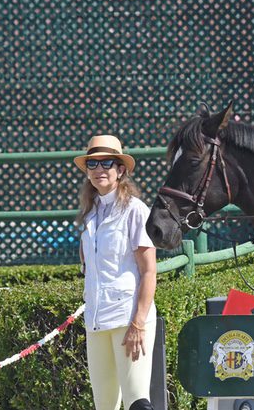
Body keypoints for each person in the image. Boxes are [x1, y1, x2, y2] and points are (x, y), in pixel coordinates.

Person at [74, 135, 157, 410]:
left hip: (128, 319)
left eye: (106, 162)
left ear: (120, 169)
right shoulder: (89, 214)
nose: (99, 169)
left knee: (137, 401)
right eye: (93, 164)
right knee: (104, 405)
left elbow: (148, 272)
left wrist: (138, 323)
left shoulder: (136, 211)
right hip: (96, 319)